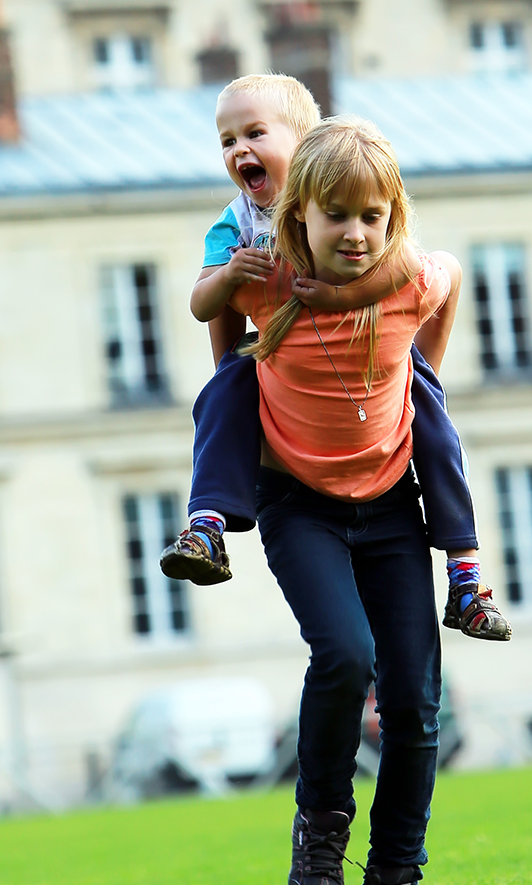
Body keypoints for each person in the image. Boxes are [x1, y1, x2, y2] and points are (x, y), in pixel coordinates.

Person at [207, 116, 466, 885]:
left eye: (372, 218)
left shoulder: (407, 282)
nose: (355, 234)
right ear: (299, 218)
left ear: (391, 220)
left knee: (417, 698)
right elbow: (213, 328)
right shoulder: (263, 282)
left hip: (392, 508)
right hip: (299, 506)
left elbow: (448, 275)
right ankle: (320, 829)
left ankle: (396, 872)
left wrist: (424, 371)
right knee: (346, 655)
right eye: (336, 216)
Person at [159, 73, 510, 642]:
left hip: (378, 360)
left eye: (254, 133)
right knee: (222, 392)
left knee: (436, 427)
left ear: (305, 149)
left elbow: (417, 266)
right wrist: (228, 278)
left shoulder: (345, 206)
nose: (239, 150)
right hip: (280, 362)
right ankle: (208, 524)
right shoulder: (237, 222)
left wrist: (352, 300)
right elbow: (203, 305)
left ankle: (466, 575)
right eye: (227, 141)